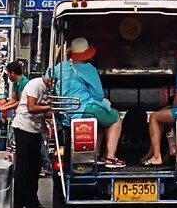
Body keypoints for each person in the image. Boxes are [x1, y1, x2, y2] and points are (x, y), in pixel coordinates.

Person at [48, 38, 124, 169]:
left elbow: (48, 78)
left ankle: (98, 154)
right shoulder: (88, 69)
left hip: (66, 114)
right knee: (115, 117)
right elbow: (98, 95)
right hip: (83, 109)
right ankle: (110, 157)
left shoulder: (60, 67)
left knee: (101, 118)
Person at [9, 73, 52, 208]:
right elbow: (31, 107)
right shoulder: (36, 85)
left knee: (35, 166)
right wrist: (49, 107)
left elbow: (44, 112)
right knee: (23, 166)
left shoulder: (47, 89)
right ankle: (20, 203)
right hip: (23, 127)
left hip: (34, 129)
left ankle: (33, 201)